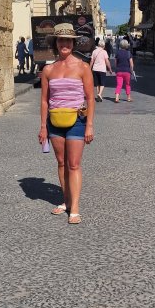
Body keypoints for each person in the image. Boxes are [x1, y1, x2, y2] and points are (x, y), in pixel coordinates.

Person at [39, 22, 95, 224]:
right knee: (61, 163)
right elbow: (44, 100)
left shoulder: (83, 67)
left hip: (77, 121)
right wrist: (43, 127)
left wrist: (89, 125)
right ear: (56, 42)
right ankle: (67, 201)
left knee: (74, 164)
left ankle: (75, 208)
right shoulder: (48, 69)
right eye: (61, 40)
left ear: (73, 43)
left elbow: (90, 98)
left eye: (68, 40)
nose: (65, 44)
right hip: (54, 121)